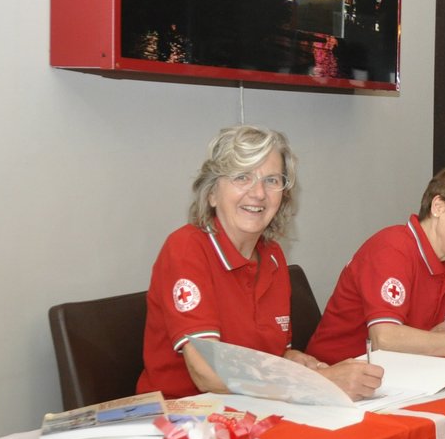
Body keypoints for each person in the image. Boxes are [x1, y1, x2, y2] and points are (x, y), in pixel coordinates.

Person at [140, 126, 383, 401]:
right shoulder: (186, 248)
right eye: (242, 177)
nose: (258, 193)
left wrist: (295, 361)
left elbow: (268, 355)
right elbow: (206, 372)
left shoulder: (273, 256)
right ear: (212, 194)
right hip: (180, 418)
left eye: (271, 180)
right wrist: (317, 383)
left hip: (252, 408)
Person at [306, 166, 445, 364]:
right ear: (438, 206)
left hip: (402, 373)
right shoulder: (392, 248)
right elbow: (385, 338)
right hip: (337, 377)